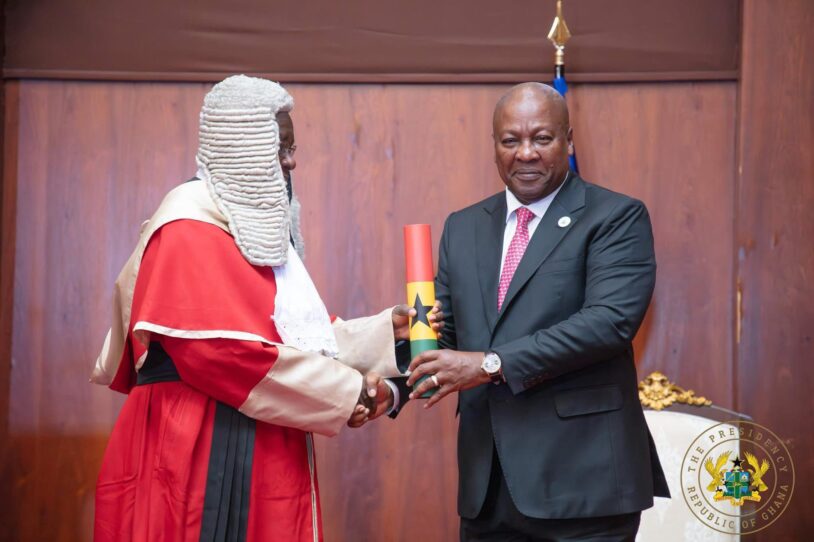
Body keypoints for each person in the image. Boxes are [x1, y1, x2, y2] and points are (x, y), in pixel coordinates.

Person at [90, 75, 439, 541]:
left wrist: (384, 333)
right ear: (244, 147)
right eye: (281, 149)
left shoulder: (240, 221)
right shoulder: (187, 225)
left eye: (292, 148)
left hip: (259, 425)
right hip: (197, 442)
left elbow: (291, 334)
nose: (292, 161)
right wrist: (348, 392)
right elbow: (221, 353)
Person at [405, 82, 669, 541]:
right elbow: (445, 339)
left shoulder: (615, 217)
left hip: (584, 485)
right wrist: (400, 353)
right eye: (511, 140)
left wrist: (490, 364)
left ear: (569, 140)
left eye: (542, 138)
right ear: (494, 146)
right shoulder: (463, 226)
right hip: (489, 490)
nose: (525, 153)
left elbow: (608, 323)